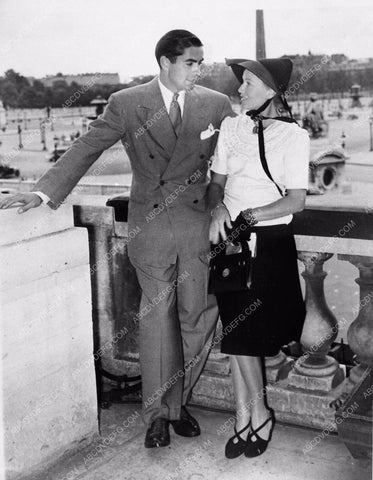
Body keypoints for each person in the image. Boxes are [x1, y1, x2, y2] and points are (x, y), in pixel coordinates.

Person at [0, 30, 234, 448]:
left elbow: (230, 161)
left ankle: (179, 404)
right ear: (165, 62)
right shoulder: (126, 104)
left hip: (199, 225)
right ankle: (159, 415)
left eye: (200, 63)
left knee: (198, 319)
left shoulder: (216, 104)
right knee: (158, 321)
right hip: (152, 225)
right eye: (191, 63)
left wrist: (223, 206)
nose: (199, 70)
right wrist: (41, 192)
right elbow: (86, 147)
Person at [208, 57, 309, 459]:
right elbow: (216, 183)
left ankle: (255, 414)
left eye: (248, 83)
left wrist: (250, 216)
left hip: (266, 241)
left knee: (243, 335)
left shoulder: (293, 137)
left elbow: (296, 200)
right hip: (229, 240)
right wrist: (217, 209)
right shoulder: (232, 126)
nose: (240, 89)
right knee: (235, 330)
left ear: (270, 91)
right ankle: (248, 414)